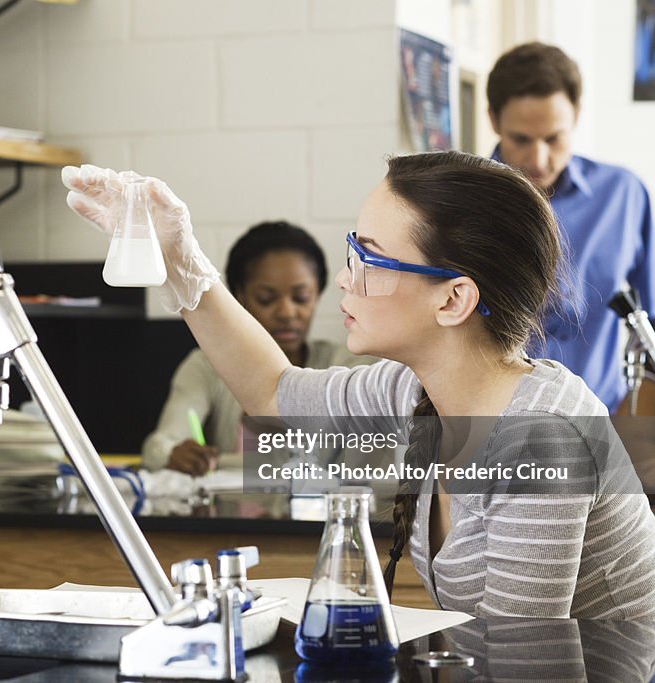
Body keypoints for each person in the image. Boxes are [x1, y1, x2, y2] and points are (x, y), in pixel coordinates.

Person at [63, 153, 655, 619]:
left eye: (369, 257)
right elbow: (273, 394)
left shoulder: (540, 439)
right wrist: (178, 256)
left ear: (453, 299)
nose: (345, 279)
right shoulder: (413, 388)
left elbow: (519, 669)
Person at [487, 42, 655, 414]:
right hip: (493, 428)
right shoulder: (458, 202)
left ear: (577, 116)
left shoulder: (623, 196)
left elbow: (652, 318)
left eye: (553, 138)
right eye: (521, 140)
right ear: (494, 121)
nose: (539, 159)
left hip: (602, 428)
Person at [140, 221, 369, 475]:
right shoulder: (205, 366)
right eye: (266, 299)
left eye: (301, 298)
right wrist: (173, 454)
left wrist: (219, 463)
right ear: (239, 296)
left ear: (317, 294)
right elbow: (158, 447)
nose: (287, 312)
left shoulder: (345, 364)